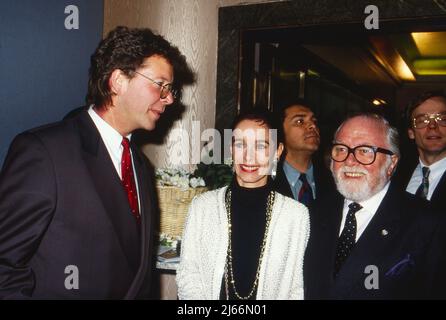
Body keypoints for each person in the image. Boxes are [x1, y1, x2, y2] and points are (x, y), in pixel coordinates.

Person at [0, 26, 189, 299]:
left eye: (170, 89)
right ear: (118, 81)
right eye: (161, 85)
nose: (169, 98)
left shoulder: (139, 165)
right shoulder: (45, 152)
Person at [304, 113, 446, 299]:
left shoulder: (428, 223)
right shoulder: (311, 213)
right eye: (341, 149)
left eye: (365, 151)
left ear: (391, 163)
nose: (349, 161)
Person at [176, 109, 310, 300]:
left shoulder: (296, 216)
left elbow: (297, 289)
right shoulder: (202, 207)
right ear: (231, 148)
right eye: (240, 144)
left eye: (261, 146)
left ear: (278, 152)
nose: (249, 157)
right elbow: (188, 274)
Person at [273, 99, 334, 208]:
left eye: (314, 121)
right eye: (300, 121)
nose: (312, 126)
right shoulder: (266, 180)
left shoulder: (333, 181)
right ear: (280, 130)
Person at [402, 91, 446, 211]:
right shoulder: (394, 176)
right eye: (422, 120)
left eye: (442, 119)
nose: (432, 126)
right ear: (411, 133)